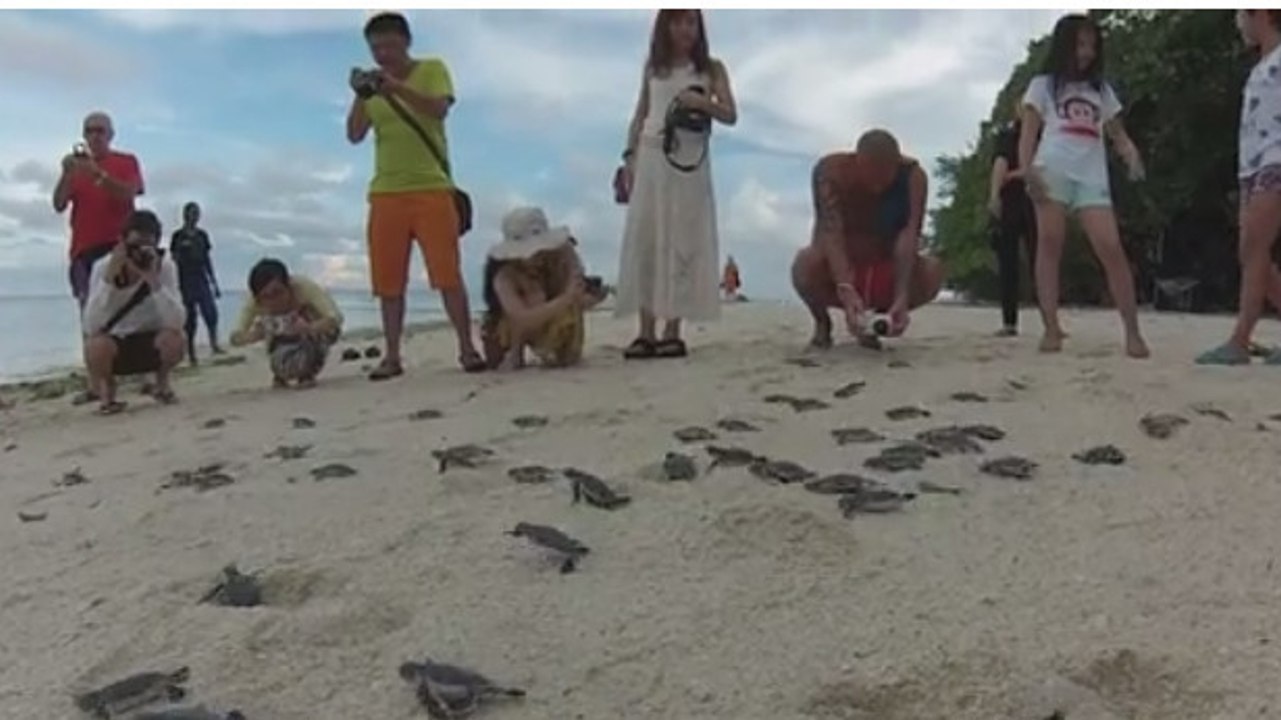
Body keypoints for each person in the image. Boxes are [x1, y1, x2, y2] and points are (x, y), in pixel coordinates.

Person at [346, 11, 484, 380]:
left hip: (431, 187)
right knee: (388, 281)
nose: (384, 54)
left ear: (406, 42)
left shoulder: (432, 69)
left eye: (390, 45)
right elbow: (355, 134)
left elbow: (438, 109)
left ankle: (467, 348)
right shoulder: (373, 90)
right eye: (376, 48)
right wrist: (362, 95)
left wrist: (397, 87)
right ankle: (392, 356)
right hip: (386, 191)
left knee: (447, 274)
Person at [1018, 14, 1149, 359]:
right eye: (1080, 44)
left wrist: (1130, 153)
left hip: (1091, 175)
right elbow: (1029, 131)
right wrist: (1027, 170)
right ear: (1064, 45)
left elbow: (1117, 132)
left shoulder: (1100, 90)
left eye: (1092, 45)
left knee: (1110, 247)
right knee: (1049, 244)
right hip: (1053, 168)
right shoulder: (1043, 84)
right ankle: (1050, 327)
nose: (1087, 52)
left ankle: (1132, 332)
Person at [616, 9, 738, 360]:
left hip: (688, 161)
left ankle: (672, 329)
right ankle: (645, 330)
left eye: (691, 22)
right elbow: (641, 113)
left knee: (681, 238)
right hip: (652, 155)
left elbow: (731, 114)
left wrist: (702, 102)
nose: (685, 29)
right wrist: (629, 156)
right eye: (678, 22)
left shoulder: (711, 68)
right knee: (647, 238)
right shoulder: (654, 67)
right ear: (665, 27)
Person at [790, 129, 944, 350]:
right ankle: (822, 323)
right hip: (840, 263)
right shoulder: (831, 172)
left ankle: (875, 322)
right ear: (857, 162)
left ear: (897, 164)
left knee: (932, 271)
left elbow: (910, 234)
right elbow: (831, 232)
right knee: (805, 264)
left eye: (884, 177)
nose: (877, 185)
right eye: (871, 176)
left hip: (884, 263)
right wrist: (845, 285)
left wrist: (902, 294)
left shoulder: (913, 177)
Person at [1196, 10, 1281, 365]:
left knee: (1255, 246)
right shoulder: (1261, 66)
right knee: (1251, 251)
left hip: (1275, 158)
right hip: (1253, 165)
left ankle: (1240, 339)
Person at [81, 210, 185, 415]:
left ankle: (161, 383)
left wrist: (153, 282)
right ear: (122, 243)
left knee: (176, 340)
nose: (140, 253)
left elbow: (177, 321)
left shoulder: (164, 267)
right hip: (115, 343)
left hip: (152, 340)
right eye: (134, 246)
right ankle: (108, 391)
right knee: (94, 346)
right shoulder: (103, 267)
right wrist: (108, 281)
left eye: (148, 246)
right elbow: (91, 325)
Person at [479, 207, 606, 371]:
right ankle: (516, 349)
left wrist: (576, 296)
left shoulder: (563, 254)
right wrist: (565, 299)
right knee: (494, 356)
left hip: (553, 308)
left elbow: (577, 288)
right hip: (519, 318)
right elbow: (520, 317)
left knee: (568, 358)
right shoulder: (504, 276)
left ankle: (549, 346)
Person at [52, 111, 145, 308]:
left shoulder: (126, 161)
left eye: (100, 131)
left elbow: (128, 192)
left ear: (110, 135)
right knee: (89, 314)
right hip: (83, 251)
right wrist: (66, 174)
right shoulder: (76, 169)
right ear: (84, 136)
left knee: (124, 311)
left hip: (118, 246)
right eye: (89, 131)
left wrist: (98, 175)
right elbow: (59, 204)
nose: (95, 136)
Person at [229, 259, 344, 389]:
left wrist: (309, 327)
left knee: (325, 327)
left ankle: (307, 372)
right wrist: (253, 336)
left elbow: (335, 318)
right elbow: (234, 337)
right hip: (278, 343)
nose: (274, 301)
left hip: (308, 334)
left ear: (288, 285)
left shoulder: (303, 287)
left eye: (278, 292)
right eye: (266, 297)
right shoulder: (254, 303)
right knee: (269, 326)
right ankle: (280, 373)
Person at [987, 96, 1038, 337]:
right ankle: (1010, 321)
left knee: (1041, 259)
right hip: (1014, 201)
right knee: (1009, 263)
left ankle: (1049, 318)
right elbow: (1000, 163)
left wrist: (1017, 174)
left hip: (1037, 200)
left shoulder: (1044, 136)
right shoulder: (1009, 136)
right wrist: (995, 195)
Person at [169, 201, 224, 365]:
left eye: (197, 213)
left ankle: (214, 344)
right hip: (185, 280)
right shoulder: (178, 236)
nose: (194, 217)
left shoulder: (202, 236)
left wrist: (214, 282)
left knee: (210, 312)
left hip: (201, 278)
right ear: (185, 215)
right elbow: (173, 259)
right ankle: (191, 352)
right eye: (192, 213)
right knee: (190, 318)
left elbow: (207, 259)